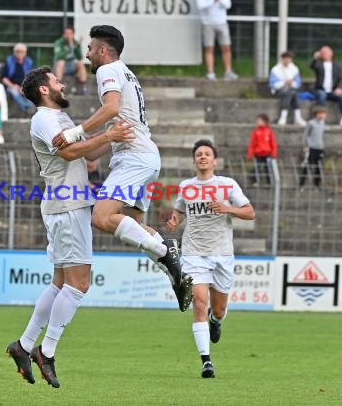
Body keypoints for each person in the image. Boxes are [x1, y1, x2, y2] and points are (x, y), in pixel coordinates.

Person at [6, 66, 135, 388]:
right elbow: (67, 153)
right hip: (67, 206)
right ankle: (45, 351)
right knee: (79, 285)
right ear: (45, 90)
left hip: (65, 204)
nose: (63, 85)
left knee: (61, 283)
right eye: (56, 82)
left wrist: (119, 137)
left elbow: (86, 154)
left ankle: (23, 345)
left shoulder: (59, 119)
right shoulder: (44, 119)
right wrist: (107, 135)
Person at [50, 25, 193, 312]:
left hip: (134, 158)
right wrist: (92, 148)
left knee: (101, 217)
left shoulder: (107, 71)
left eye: (90, 49)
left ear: (103, 50)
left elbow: (112, 108)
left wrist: (74, 133)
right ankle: (176, 275)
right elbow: (120, 127)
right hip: (144, 156)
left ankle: (168, 252)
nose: (87, 54)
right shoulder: (127, 72)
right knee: (136, 227)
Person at [166, 139, 255, 379]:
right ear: (194, 161)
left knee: (218, 308)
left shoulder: (227, 185)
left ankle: (216, 320)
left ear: (214, 161)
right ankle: (206, 361)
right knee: (198, 303)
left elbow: (249, 211)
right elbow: (180, 211)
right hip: (194, 253)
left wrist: (228, 209)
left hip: (222, 254)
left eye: (207, 154)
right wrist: (175, 220)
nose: (202, 157)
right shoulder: (186, 186)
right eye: (199, 154)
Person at [196, 0, 238, 81]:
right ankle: (210, 73)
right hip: (207, 23)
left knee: (226, 47)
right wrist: (213, 0)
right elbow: (200, 6)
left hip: (222, 22)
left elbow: (228, 5)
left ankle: (228, 72)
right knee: (209, 48)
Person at [310, 45, 342, 126]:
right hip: (321, 90)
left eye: (326, 52)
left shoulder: (337, 66)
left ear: (331, 53)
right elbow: (313, 66)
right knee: (321, 95)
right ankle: (321, 117)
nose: (324, 54)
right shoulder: (319, 64)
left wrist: (339, 88)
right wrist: (315, 58)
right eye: (322, 53)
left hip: (333, 90)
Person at [269, 51, 305, 126]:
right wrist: (284, 83)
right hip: (279, 90)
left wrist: (292, 83)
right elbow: (273, 84)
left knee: (292, 93)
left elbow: (298, 83)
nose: (287, 61)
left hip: (291, 89)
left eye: (288, 59)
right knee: (289, 93)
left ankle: (287, 117)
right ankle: (292, 117)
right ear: (282, 59)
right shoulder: (275, 70)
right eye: (285, 59)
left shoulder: (294, 69)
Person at [54, 25, 88, 95]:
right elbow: (59, 56)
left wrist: (77, 46)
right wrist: (70, 47)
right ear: (64, 34)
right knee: (61, 62)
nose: (68, 35)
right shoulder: (59, 42)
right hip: (60, 67)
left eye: (70, 34)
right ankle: (59, 87)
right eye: (66, 33)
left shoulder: (75, 43)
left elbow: (79, 57)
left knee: (80, 64)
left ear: (73, 34)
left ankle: (83, 87)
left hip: (71, 66)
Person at [1, 43, 35, 113]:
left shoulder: (29, 62)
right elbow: (3, 77)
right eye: (17, 51)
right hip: (11, 85)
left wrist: (24, 86)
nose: (19, 53)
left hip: (25, 85)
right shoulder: (9, 61)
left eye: (22, 51)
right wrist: (12, 86)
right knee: (14, 92)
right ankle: (26, 107)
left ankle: (28, 107)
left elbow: (32, 77)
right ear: (14, 52)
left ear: (25, 53)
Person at [299, 106, 327, 190]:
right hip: (311, 147)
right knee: (307, 166)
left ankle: (317, 184)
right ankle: (302, 184)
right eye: (320, 114)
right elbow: (305, 135)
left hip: (320, 148)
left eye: (323, 114)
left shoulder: (323, 123)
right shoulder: (311, 123)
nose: (322, 116)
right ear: (316, 114)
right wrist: (305, 146)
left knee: (318, 167)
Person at [247, 114, 277, 185]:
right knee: (256, 167)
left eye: (260, 120)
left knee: (268, 168)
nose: (258, 122)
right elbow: (252, 143)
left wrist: (274, 153)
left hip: (267, 153)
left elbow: (273, 143)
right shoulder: (256, 131)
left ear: (265, 121)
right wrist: (250, 154)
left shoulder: (269, 131)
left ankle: (269, 182)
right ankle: (255, 181)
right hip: (258, 153)